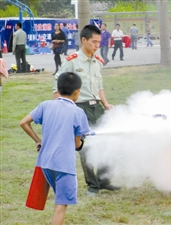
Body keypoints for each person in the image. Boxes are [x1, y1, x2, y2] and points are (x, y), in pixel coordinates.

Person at [53, 24, 120, 196]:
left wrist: (105, 103)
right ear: (84, 40)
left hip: (96, 106)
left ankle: (105, 180)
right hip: (79, 107)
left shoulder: (98, 62)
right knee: (86, 147)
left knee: (107, 141)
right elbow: (57, 84)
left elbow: (100, 86)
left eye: (99, 42)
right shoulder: (72, 61)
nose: (97, 46)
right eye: (94, 42)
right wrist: (60, 108)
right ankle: (93, 185)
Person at [20, 72, 90, 225]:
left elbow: (23, 122)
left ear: (58, 89)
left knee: (58, 201)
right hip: (65, 166)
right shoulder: (78, 112)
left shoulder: (46, 105)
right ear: (77, 91)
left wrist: (38, 140)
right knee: (60, 206)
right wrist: (81, 143)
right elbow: (76, 144)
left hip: (45, 163)